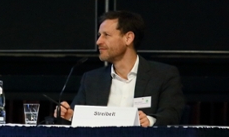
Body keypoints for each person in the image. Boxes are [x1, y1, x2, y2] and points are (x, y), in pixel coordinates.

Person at [56, 11, 184, 126]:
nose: (98, 41)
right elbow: (76, 117)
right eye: (99, 35)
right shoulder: (91, 79)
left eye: (106, 35)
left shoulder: (163, 75)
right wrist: (68, 115)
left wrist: (149, 121)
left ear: (128, 38)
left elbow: (171, 114)